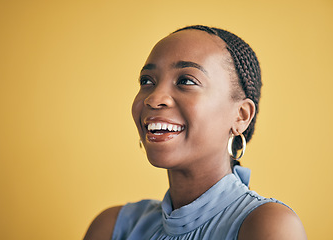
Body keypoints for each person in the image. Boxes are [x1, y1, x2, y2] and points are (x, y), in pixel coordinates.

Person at [84, 25, 307, 240]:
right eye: (147, 81)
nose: (154, 98)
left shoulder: (266, 225)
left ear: (241, 116)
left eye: (186, 81)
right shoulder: (113, 227)